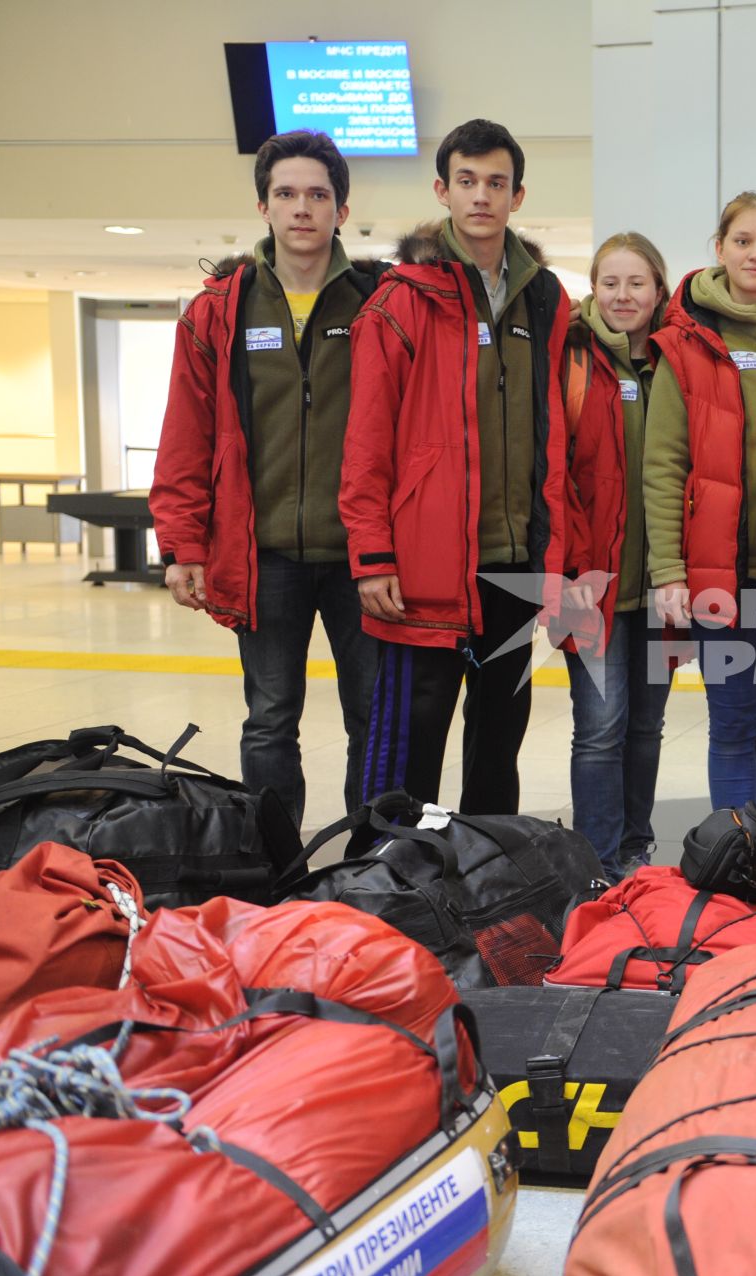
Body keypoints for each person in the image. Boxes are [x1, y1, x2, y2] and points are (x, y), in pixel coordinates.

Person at [151, 129, 382, 831]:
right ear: (263, 206)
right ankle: (276, 865)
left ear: (342, 208)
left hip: (361, 557)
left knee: (373, 719)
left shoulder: (379, 302)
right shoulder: (219, 311)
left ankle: (372, 861)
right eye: (287, 194)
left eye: (318, 194)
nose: (302, 208)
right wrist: (182, 545)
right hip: (264, 554)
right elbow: (186, 437)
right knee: (269, 720)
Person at [340, 118, 571, 813]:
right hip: (424, 566)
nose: (481, 197)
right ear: (442, 190)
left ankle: (483, 883)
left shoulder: (545, 299)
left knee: (499, 745)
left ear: (517, 196)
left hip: (513, 563)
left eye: (496, 183)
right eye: (466, 181)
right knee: (409, 750)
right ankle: (389, 878)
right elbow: (367, 440)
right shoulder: (401, 300)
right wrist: (372, 552)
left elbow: (556, 429)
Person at [643, 192, 756, 815]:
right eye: (743, 241)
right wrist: (668, 570)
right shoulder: (685, 343)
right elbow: (663, 467)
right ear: (719, 249)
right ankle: (739, 857)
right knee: (735, 721)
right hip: (721, 572)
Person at [560, 232, 674, 877]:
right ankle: (598, 860)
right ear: (593, 289)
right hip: (591, 583)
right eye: (611, 283)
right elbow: (554, 476)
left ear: (659, 290)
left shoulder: (676, 362)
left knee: (646, 728)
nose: (624, 296)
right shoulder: (572, 360)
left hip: (662, 583)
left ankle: (636, 847)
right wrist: (572, 569)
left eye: (637, 283)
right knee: (599, 729)